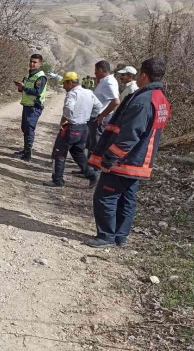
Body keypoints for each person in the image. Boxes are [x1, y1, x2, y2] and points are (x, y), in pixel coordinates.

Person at [87, 57, 171, 248]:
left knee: (105, 197)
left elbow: (129, 135)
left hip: (126, 160)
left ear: (143, 75)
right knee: (127, 199)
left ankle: (106, 236)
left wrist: (109, 159)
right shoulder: (161, 99)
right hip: (141, 161)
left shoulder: (142, 100)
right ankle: (120, 236)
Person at [46, 72, 104, 188]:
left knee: (59, 153)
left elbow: (68, 108)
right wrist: (88, 115)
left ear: (71, 83)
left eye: (65, 84)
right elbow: (98, 106)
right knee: (78, 153)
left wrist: (64, 119)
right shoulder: (89, 92)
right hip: (83, 128)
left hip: (71, 127)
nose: (63, 87)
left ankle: (57, 180)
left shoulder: (72, 93)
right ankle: (92, 175)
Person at [12, 53, 47, 161]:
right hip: (27, 105)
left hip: (34, 106)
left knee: (29, 130)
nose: (32, 64)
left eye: (35, 62)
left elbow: (37, 92)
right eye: (31, 61)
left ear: (40, 64)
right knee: (25, 128)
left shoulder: (41, 76)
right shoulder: (29, 74)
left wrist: (24, 87)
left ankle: (27, 154)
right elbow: (25, 87)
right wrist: (20, 87)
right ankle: (25, 150)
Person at [87, 60, 120, 154]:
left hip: (99, 119)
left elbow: (116, 101)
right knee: (92, 144)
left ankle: (94, 168)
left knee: (96, 145)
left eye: (96, 71)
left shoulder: (109, 82)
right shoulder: (105, 81)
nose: (95, 73)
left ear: (101, 70)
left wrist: (102, 115)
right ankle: (88, 167)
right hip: (95, 117)